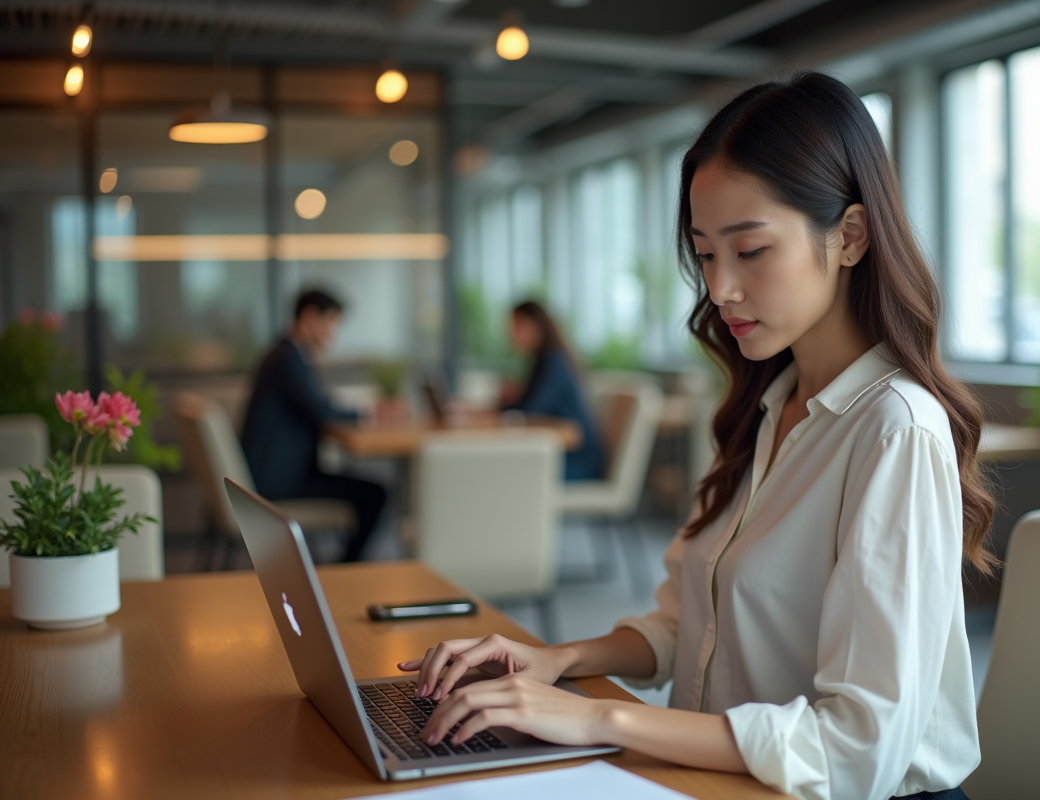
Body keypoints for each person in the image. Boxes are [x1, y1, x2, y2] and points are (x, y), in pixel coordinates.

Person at [397, 72, 995, 800]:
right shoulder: (768, 409)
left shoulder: (893, 430)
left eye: (750, 251)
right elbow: (688, 629)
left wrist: (598, 718)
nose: (719, 290)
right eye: (707, 254)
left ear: (849, 236)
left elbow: (856, 748)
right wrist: (552, 661)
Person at [241, 289, 386, 563]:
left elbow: (318, 406)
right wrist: (369, 413)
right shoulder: (288, 359)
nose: (334, 332)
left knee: (366, 487)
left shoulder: (284, 354)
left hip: (275, 473)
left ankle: (343, 567)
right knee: (376, 494)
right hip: (278, 482)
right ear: (310, 318)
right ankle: (345, 570)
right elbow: (322, 411)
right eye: (331, 322)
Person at [501, 300, 605, 481]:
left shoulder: (553, 363)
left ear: (536, 326)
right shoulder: (544, 361)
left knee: (507, 472)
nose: (512, 334)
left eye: (517, 326)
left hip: (577, 464)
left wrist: (504, 404)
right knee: (504, 467)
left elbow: (530, 411)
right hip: (562, 456)